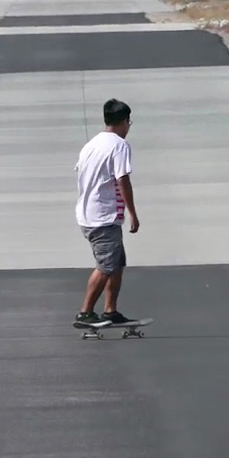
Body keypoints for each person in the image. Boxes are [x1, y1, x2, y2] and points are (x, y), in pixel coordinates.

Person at [74, 98, 139, 328]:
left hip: (90, 213)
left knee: (117, 262)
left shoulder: (91, 145)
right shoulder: (119, 145)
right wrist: (133, 213)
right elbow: (122, 179)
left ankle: (110, 310)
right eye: (128, 122)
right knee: (106, 265)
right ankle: (85, 313)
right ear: (123, 122)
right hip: (101, 217)